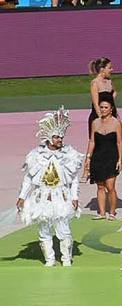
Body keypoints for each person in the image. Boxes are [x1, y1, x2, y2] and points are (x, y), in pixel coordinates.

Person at [17, 109, 83, 267]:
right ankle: (49, 259)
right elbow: (29, 179)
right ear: (48, 138)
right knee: (44, 230)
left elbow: (74, 179)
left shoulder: (69, 154)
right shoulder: (36, 155)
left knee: (64, 230)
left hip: (62, 197)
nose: (60, 139)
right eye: (56, 137)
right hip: (42, 198)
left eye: (61, 136)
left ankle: (66, 259)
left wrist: (74, 197)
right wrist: (22, 196)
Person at [84, 94, 122, 220]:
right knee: (100, 186)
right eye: (101, 107)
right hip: (98, 157)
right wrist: (88, 157)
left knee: (110, 187)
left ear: (111, 109)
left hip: (111, 157)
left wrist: (120, 159)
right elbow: (92, 141)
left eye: (106, 107)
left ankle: (112, 212)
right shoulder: (95, 123)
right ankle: (101, 212)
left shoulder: (116, 123)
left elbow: (119, 142)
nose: (103, 110)